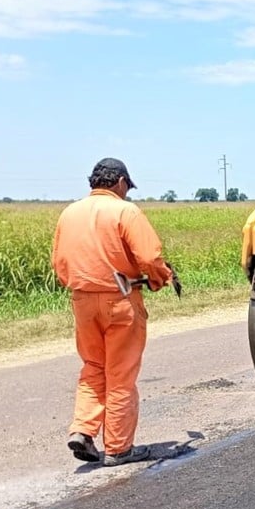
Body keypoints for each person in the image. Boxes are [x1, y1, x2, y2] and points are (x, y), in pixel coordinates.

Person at [52, 158, 175, 467]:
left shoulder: (69, 213)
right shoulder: (125, 211)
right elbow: (149, 256)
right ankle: (119, 448)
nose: (127, 192)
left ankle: (82, 430)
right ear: (120, 181)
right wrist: (161, 278)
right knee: (120, 374)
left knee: (93, 366)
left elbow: (59, 263)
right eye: (127, 187)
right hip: (120, 300)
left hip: (81, 300)